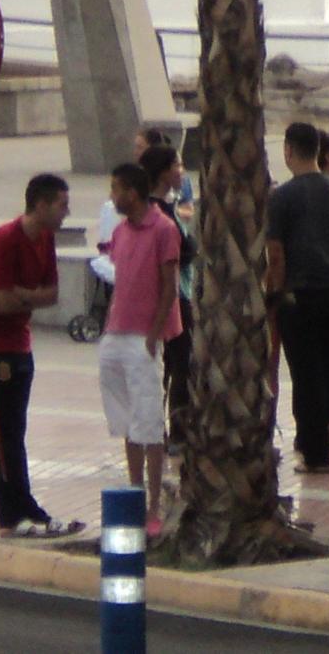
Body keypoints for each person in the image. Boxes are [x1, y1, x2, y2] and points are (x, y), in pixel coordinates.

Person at [0, 173, 83, 539]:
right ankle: (15, 511)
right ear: (41, 205)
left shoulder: (45, 239)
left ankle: (16, 511)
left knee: (16, 428)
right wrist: (30, 296)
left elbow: (52, 294)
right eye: (61, 205)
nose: (66, 213)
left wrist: (24, 295)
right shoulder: (5, 241)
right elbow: (1, 302)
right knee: (5, 433)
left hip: (20, 343)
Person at [101, 163, 182, 541]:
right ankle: (135, 494)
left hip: (143, 337)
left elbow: (169, 286)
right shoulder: (120, 232)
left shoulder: (163, 229)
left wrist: (154, 334)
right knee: (127, 420)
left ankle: (153, 504)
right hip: (116, 333)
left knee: (148, 420)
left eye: (117, 189)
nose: (113, 196)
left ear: (132, 192)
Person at [266, 122, 329, 474]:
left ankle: (315, 452)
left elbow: (276, 254)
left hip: (299, 296)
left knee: (306, 374)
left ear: (288, 150)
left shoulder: (282, 197)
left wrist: (274, 294)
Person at [139, 145, 197, 453]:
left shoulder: (160, 209)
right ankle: (174, 431)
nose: (181, 171)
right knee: (178, 364)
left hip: (174, 295)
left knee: (173, 365)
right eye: (177, 165)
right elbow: (180, 252)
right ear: (163, 172)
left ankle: (164, 430)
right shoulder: (158, 214)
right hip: (173, 298)